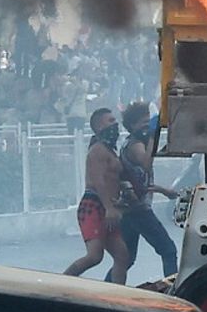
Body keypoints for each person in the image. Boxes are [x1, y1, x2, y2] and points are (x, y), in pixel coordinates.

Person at [108, 102, 180, 281]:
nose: (147, 127)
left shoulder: (133, 143)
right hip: (138, 209)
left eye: (149, 123)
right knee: (168, 250)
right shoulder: (134, 145)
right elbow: (146, 165)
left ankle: (106, 288)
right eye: (144, 123)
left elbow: (141, 181)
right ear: (133, 125)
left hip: (131, 206)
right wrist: (153, 137)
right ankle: (173, 289)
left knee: (127, 258)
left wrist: (164, 191)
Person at [63, 108, 133, 284]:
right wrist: (109, 207)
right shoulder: (97, 150)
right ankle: (61, 283)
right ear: (100, 126)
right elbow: (98, 181)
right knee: (94, 256)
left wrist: (125, 193)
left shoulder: (110, 151)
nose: (115, 125)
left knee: (122, 255)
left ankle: (118, 293)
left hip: (107, 206)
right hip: (94, 205)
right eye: (111, 121)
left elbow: (115, 179)